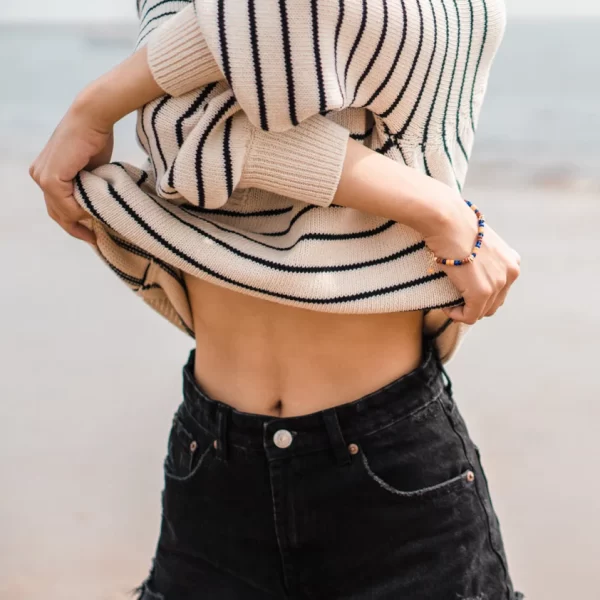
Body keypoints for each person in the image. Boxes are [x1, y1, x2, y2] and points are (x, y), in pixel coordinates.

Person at [30, 1, 523, 598]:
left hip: (389, 471)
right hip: (212, 464)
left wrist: (99, 103)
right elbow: (183, 131)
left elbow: (211, 121)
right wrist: (430, 206)